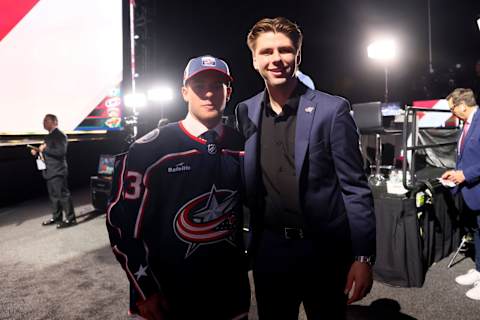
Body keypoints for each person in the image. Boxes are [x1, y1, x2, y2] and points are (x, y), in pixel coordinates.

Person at [235, 17, 376, 319]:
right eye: (267, 52)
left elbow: (355, 188)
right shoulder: (244, 111)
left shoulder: (332, 109)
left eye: (285, 50)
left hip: (323, 251)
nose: (276, 59)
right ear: (254, 60)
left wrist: (362, 256)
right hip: (269, 251)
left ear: (298, 55)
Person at [106, 55, 250, 320]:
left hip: (230, 294)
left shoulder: (241, 144)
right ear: (184, 92)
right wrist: (144, 289)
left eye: (217, 86)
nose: (208, 93)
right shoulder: (148, 149)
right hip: (172, 296)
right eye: (199, 86)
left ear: (228, 92)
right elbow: (121, 224)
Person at [441, 88, 480, 300]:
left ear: (462, 105)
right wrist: (455, 173)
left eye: (452, 108)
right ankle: (479, 269)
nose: (452, 113)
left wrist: (465, 175)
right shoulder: (466, 124)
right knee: (477, 231)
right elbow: (466, 156)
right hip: (472, 193)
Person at [31, 114, 76, 228]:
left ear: (55, 122)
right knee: (54, 197)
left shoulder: (60, 135)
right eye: (43, 121)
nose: (44, 123)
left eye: (46, 121)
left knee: (63, 195)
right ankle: (57, 217)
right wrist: (37, 151)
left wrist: (45, 149)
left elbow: (60, 152)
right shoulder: (48, 136)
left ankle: (71, 219)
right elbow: (46, 152)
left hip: (58, 170)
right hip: (50, 171)